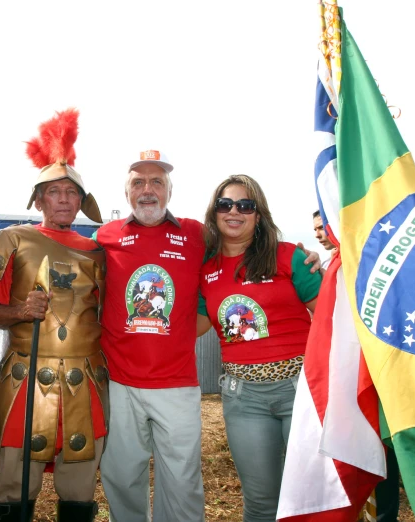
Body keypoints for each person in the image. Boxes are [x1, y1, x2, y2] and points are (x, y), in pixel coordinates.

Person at [0, 109, 108, 522]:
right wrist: (19, 310)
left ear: (82, 201)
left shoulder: (98, 252)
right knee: (17, 487)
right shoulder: (12, 239)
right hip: (26, 376)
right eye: (55, 192)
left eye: (71, 193)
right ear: (39, 199)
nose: (64, 200)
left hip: (84, 378)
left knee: (78, 486)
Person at [197, 174, 322, 522]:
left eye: (245, 205)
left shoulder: (290, 257)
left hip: (300, 391)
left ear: (258, 214)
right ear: (214, 212)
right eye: (225, 204)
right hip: (242, 398)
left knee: (311, 499)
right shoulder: (204, 269)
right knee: (261, 502)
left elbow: (330, 316)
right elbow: (191, 327)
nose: (234, 211)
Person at [94, 150, 208, 522]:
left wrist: (299, 252)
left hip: (176, 384)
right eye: (138, 182)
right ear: (126, 192)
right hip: (119, 382)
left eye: (156, 182)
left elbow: (241, 259)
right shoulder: (105, 236)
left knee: (182, 481)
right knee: (122, 477)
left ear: (169, 191)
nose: (147, 190)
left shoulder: (196, 234)